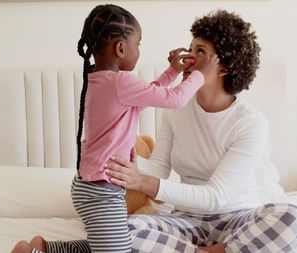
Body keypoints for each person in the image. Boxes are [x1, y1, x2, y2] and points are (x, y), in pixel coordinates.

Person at [11, 4, 218, 253]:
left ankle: (44, 248)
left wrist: (173, 71)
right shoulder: (120, 82)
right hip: (102, 191)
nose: (139, 50)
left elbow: (146, 97)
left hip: (93, 186)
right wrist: (201, 75)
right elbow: (174, 99)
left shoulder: (99, 81)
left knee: (110, 245)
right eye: (138, 44)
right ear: (121, 48)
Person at [104, 10, 297, 253]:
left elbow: (216, 196)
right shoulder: (175, 109)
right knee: (122, 230)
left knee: (294, 219)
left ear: (223, 67)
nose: (189, 58)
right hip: (187, 221)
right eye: (190, 49)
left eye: (200, 52)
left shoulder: (250, 122)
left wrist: (143, 181)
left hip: (238, 219)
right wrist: (121, 159)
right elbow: (160, 167)